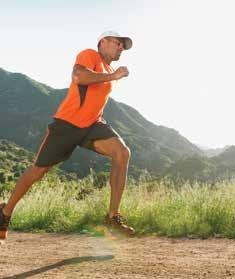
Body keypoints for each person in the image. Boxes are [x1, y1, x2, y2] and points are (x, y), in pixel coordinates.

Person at [0, 30, 135, 240]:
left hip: (92, 124)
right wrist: (113, 76)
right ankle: (5, 212)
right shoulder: (90, 55)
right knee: (37, 172)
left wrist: (111, 75)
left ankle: (112, 217)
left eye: (123, 46)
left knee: (122, 153)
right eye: (118, 43)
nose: (121, 48)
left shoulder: (108, 68)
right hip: (67, 124)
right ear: (103, 42)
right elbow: (79, 77)